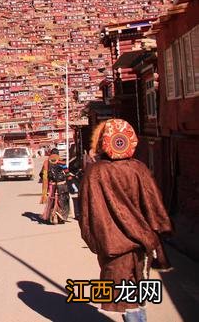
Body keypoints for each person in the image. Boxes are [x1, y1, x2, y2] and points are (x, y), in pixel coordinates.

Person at [79, 119, 172, 322]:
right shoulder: (139, 169)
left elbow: (86, 217)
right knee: (138, 294)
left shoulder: (94, 173)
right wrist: (158, 234)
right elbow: (155, 207)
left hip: (112, 248)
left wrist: (96, 243)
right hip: (142, 244)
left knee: (128, 299)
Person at [39, 149, 70, 224]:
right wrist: (69, 177)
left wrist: (46, 179)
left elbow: (41, 174)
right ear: (58, 154)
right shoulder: (61, 162)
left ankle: (51, 215)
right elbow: (67, 172)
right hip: (61, 185)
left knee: (51, 200)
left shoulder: (46, 162)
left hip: (51, 185)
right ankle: (63, 216)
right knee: (64, 200)